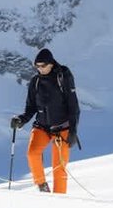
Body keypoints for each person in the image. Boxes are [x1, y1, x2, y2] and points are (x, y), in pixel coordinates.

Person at [11, 48, 80, 193]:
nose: (40, 69)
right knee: (32, 153)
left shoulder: (63, 77)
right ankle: (42, 186)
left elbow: (73, 106)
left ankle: (59, 201)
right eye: (37, 66)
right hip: (42, 127)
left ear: (51, 64)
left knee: (58, 169)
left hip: (62, 129)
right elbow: (31, 108)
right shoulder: (35, 82)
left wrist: (73, 131)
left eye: (43, 66)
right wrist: (21, 119)